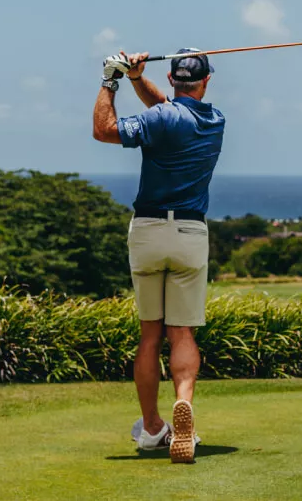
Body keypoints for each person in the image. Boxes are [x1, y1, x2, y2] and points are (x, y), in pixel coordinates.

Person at [92, 47, 225, 464]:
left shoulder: (161, 117)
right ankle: (183, 402)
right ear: (206, 82)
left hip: (149, 231)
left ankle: (151, 427)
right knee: (181, 333)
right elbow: (171, 112)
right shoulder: (214, 120)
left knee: (151, 335)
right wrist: (135, 79)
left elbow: (105, 129)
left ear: (172, 80)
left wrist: (110, 79)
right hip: (190, 231)